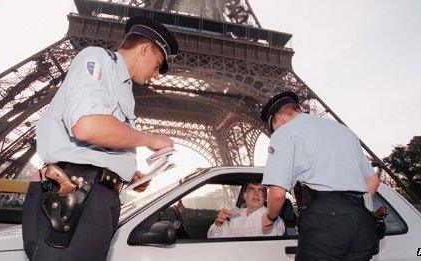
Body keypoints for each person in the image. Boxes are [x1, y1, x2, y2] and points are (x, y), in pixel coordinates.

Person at [22, 16, 178, 261]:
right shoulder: (96, 59)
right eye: (157, 65)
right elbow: (87, 126)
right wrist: (149, 139)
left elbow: (100, 143)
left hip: (92, 197)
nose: (156, 75)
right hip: (76, 196)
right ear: (145, 49)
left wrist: (126, 175)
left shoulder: (125, 90)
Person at [259, 91, 380, 260]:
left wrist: (270, 217)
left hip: (324, 223)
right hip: (362, 222)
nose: (275, 132)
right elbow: (373, 181)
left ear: (277, 119)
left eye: (273, 128)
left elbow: (278, 194)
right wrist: (351, 209)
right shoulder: (345, 131)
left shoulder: (285, 132)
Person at [207, 182, 285, 238]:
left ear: (265, 197)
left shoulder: (272, 218)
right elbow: (213, 238)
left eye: (260, 190)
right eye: (251, 189)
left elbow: (271, 246)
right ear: (244, 195)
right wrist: (219, 223)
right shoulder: (234, 214)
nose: (256, 193)